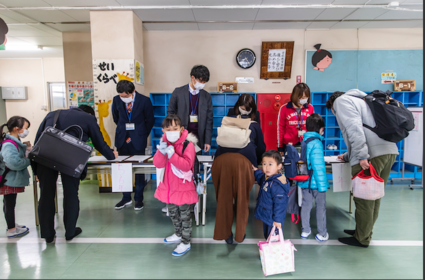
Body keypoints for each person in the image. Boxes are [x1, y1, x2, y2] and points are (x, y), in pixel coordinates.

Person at [33, 105, 118, 243]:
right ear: (90, 113)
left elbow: (39, 139)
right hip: (70, 159)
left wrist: (36, 169)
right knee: (71, 194)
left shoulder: (53, 114)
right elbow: (99, 143)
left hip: (46, 157)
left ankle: (47, 234)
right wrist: (111, 155)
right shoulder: (88, 118)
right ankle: (70, 232)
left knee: (46, 194)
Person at [326, 89, 398, 248]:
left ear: (332, 104)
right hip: (388, 151)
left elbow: (354, 129)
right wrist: (347, 156)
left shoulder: (341, 102)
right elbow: (366, 131)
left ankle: (362, 238)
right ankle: (363, 231)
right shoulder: (363, 100)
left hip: (370, 155)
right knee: (375, 195)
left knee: (364, 198)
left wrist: (361, 155)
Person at [212, 108, 266, 244]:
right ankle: (240, 235)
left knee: (224, 201)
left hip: (221, 163)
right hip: (243, 164)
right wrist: (256, 163)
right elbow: (261, 148)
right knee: (242, 201)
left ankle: (225, 234)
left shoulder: (226, 126)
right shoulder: (253, 126)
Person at [153, 114, 198, 257]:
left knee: (185, 215)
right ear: (163, 131)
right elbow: (158, 164)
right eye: (168, 129)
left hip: (183, 187)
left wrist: (172, 155)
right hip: (169, 187)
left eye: (175, 128)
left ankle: (186, 242)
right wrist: (161, 152)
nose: (172, 131)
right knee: (172, 213)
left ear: (181, 129)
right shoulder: (164, 143)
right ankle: (178, 234)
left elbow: (186, 165)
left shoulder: (188, 144)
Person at [112, 80, 154, 211]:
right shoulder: (116, 100)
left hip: (138, 140)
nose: (123, 98)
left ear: (132, 92)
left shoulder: (144, 101)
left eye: (125, 96)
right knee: (123, 170)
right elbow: (115, 118)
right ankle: (126, 198)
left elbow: (150, 120)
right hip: (122, 139)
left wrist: (141, 134)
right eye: (121, 96)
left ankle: (138, 199)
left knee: (139, 170)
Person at [298, 113, 329, 242]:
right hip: (316, 182)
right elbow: (318, 166)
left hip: (305, 181)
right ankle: (322, 233)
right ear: (321, 129)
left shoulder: (304, 141)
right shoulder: (316, 143)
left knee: (306, 206)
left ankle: (305, 230)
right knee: (320, 207)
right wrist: (323, 185)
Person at [167, 65, 213, 154]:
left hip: (198, 137)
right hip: (180, 136)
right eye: (201, 81)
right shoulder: (178, 92)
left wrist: (207, 141)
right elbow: (170, 112)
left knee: (196, 162)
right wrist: (174, 133)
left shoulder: (206, 96)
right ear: (193, 77)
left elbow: (209, 120)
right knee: (180, 162)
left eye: (204, 82)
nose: (203, 84)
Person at [0, 116, 31, 238]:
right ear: (16, 128)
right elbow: (14, 163)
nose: (26, 131)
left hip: (10, 178)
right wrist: (28, 159)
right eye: (25, 128)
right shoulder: (9, 144)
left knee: (9, 203)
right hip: (9, 178)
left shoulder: (13, 142)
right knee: (9, 203)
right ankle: (11, 229)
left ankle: (11, 225)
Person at [215, 94, 266, 167]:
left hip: (246, 147)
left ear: (252, 108)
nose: (245, 111)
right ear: (238, 106)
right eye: (242, 108)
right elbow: (227, 131)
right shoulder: (232, 112)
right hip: (231, 146)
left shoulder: (255, 115)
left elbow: (258, 138)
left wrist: (257, 159)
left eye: (247, 109)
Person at [252, 150, 290, 240]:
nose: (267, 168)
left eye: (270, 164)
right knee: (268, 236)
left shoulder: (277, 184)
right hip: (267, 216)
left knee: (273, 238)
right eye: (264, 164)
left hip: (273, 219)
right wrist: (256, 170)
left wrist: (277, 220)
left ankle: (273, 254)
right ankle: (268, 253)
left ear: (279, 166)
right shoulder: (268, 178)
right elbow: (261, 179)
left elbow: (280, 204)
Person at [277, 83, 314, 155]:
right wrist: (280, 147)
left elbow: (313, 127)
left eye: (306, 97)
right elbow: (280, 128)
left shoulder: (310, 108)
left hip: (306, 144)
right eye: (302, 97)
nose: (304, 99)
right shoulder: (284, 108)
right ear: (295, 96)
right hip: (289, 144)